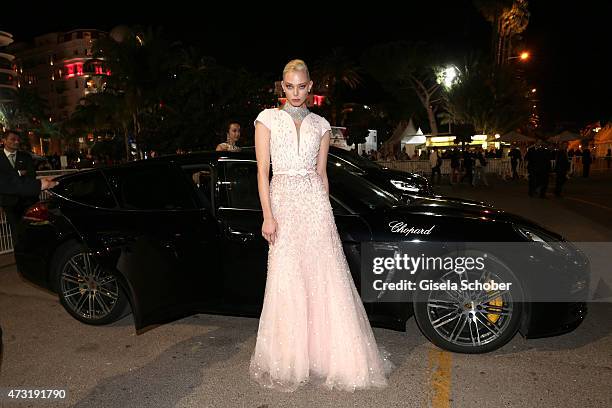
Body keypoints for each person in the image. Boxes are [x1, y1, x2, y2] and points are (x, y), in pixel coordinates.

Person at [250, 59, 393, 392]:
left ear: (310, 86)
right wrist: (267, 215)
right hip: (283, 203)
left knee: (323, 280)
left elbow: (322, 175)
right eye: (289, 86)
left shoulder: (322, 126)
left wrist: (325, 214)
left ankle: (326, 356)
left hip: (315, 206)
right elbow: (261, 172)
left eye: (302, 86)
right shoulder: (266, 120)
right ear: (281, 86)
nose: (296, 93)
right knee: (287, 280)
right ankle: (290, 358)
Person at [1, 130, 41, 235]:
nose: (16, 142)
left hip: (28, 201)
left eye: (18, 140)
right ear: (4, 141)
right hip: (9, 202)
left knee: (32, 231)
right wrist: (19, 173)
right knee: (16, 232)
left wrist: (10, 177)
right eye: (13, 139)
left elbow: (31, 176)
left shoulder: (26, 157)